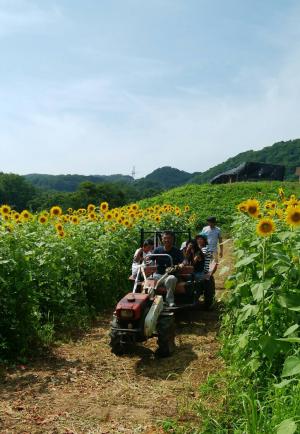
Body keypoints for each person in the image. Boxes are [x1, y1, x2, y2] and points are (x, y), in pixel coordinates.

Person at [152, 231, 183, 307]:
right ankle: (150, 300)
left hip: (170, 275)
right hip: (158, 275)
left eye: (169, 238)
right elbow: (149, 259)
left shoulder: (177, 251)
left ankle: (170, 301)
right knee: (149, 280)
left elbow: (183, 261)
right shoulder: (157, 250)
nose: (167, 240)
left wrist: (180, 265)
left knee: (171, 279)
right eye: (165, 238)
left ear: (172, 239)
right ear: (162, 239)